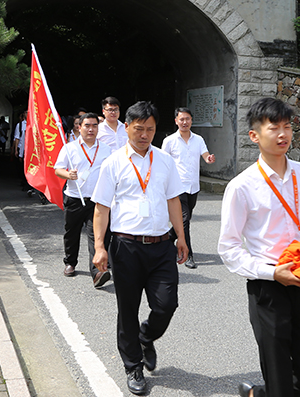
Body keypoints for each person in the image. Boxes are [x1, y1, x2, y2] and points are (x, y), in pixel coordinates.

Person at [218, 97, 300, 397]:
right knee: (280, 377)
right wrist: (271, 273)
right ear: (255, 136)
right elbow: (229, 248)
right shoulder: (242, 186)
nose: (283, 134)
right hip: (267, 288)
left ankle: (259, 394)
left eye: (287, 126)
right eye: (274, 128)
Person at [91, 101, 189, 396]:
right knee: (128, 309)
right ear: (128, 127)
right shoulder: (114, 162)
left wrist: (181, 238)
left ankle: (146, 336)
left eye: (150, 129)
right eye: (139, 128)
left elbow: (174, 200)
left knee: (166, 304)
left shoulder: (164, 161)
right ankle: (133, 365)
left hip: (161, 246)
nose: (144, 134)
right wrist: (99, 247)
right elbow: (101, 208)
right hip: (126, 247)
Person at [54, 113, 113, 287]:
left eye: (94, 125)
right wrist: (68, 174)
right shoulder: (69, 148)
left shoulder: (105, 149)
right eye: (87, 125)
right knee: (71, 233)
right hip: (74, 198)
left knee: (96, 236)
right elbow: (58, 169)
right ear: (79, 127)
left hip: (96, 200)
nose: (91, 129)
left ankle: (97, 272)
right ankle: (70, 262)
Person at [161, 107, 216, 269]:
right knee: (184, 221)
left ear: (191, 120)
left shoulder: (198, 139)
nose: (185, 122)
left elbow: (205, 154)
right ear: (176, 121)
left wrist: (209, 159)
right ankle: (188, 255)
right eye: (181, 119)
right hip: (177, 187)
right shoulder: (169, 141)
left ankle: (167, 240)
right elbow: (163, 162)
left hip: (193, 186)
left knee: (185, 220)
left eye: (187, 119)